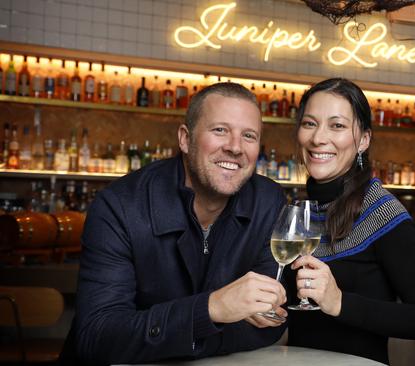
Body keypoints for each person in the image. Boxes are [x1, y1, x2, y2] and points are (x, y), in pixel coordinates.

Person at [62, 82, 288, 365]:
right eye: (220, 130)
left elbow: (270, 324)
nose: (234, 147)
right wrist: (211, 309)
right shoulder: (120, 206)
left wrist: (171, 333)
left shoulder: (269, 202)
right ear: (185, 139)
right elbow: (98, 336)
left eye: (249, 135)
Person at [285, 78, 415, 364]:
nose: (318, 138)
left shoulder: (383, 213)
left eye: (337, 126)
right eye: (310, 123)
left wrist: (339, 302)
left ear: (363, 140)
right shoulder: (299, 212)